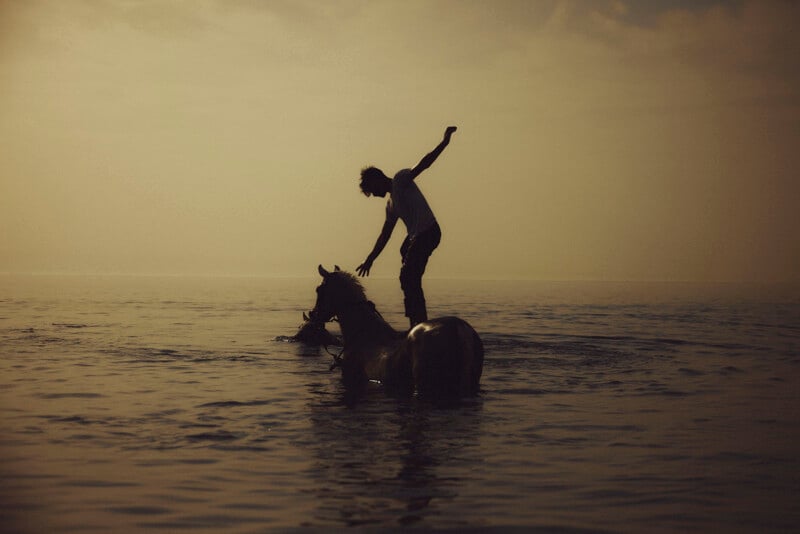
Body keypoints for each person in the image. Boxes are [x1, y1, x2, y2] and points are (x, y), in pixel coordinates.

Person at [356, 126, 457, 328]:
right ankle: (415, 319)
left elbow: (424, 164)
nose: (373, 195)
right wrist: (370, 259)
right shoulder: (391, 205)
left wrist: (444, 142)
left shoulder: (400, 180)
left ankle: (419, 323)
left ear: (377, 180)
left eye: (372, 190)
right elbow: (385, 235)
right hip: (417, 236)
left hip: (428, 232)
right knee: (405, 259)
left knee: (408, 275)